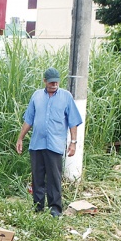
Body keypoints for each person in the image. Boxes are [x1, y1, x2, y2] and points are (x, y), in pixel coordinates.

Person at [16, 67, 82, 217]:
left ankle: (55, 209)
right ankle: (38, 207)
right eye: (51, 82)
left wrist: (73, 142)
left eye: (56, 82)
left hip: (55, 144)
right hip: (37, 143)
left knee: (54, 177)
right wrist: (20, 138)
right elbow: (29, 120)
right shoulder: (37, 96)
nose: (54, 85)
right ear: (45, 81)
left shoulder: (66, 97)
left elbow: (73, 122)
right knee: (37, 177)